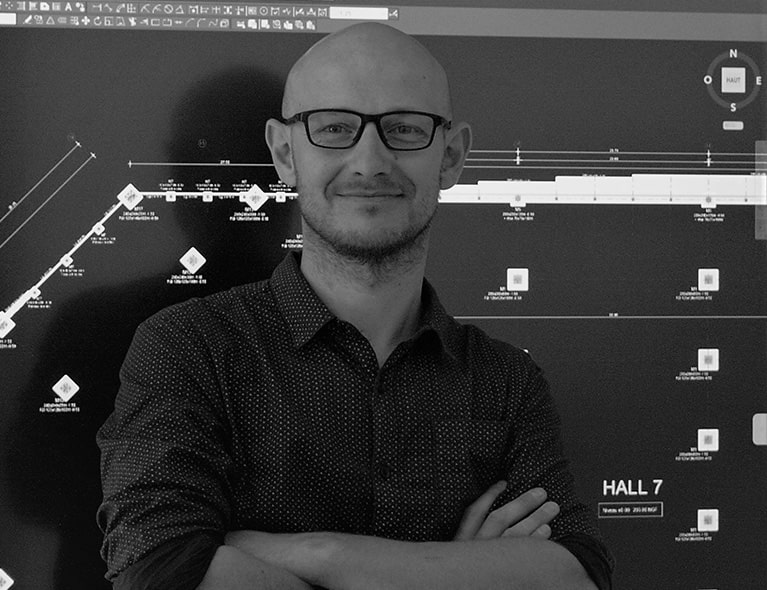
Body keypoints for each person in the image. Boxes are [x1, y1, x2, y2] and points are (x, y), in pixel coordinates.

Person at [97, 22, 614, 590]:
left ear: (451, 156)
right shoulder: (187, 349)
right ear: (285, 153)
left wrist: (322, 554)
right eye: (335, 128)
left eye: (405, 128)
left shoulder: (508, 383)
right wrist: (458, 574)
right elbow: (160, 571)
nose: (370, 161)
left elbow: (578, 575)